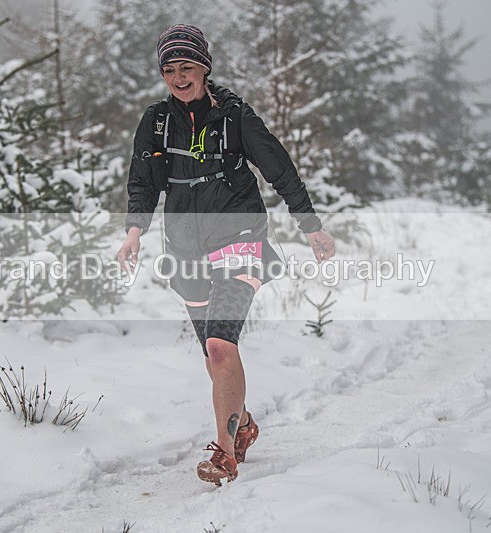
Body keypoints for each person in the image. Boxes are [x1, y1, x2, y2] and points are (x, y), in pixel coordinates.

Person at [117, 24, 336, 485]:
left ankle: (225, 453)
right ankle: (244, 423)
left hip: (240, 234)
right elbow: (143, 182)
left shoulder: (234, 116)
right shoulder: (156, 122)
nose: (179, 77)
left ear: (204, 68)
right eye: (170, 69)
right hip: (185, 245)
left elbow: (278, 168)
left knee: (220, 344)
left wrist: (310, 225)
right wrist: (134, 230)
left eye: (187, 67)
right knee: (212, 352)